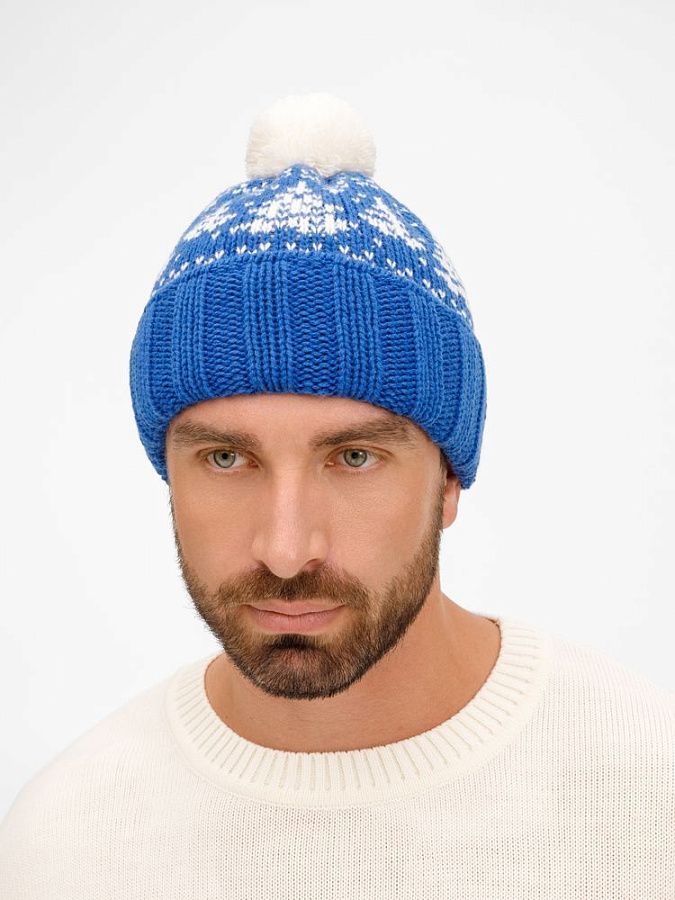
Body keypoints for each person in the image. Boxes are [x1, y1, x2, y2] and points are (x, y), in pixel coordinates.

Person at [1, 92, 672, 899]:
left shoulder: (648, 794)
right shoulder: (65, 842)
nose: (287, 551)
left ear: (449, 479)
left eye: (353, 457)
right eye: (225, 459)